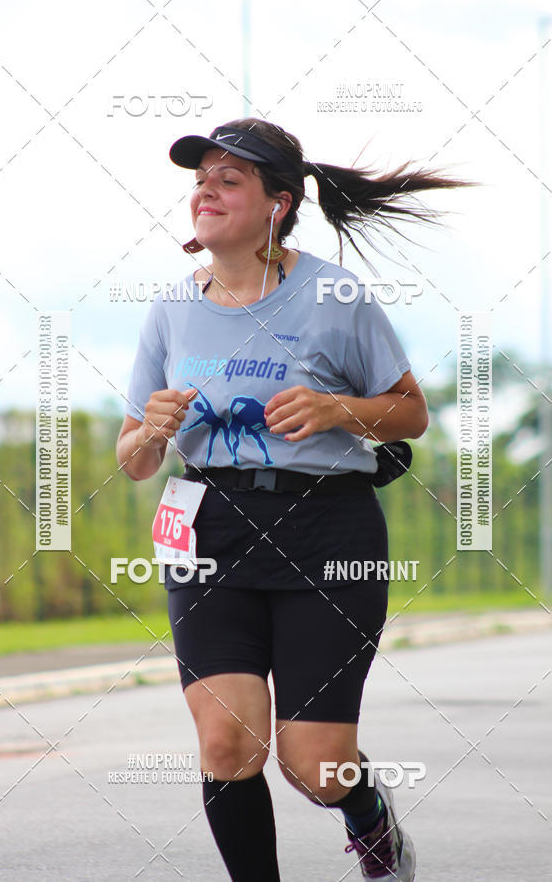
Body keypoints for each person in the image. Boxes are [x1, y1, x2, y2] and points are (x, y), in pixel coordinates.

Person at [117, 118, 473, 881]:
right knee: (226, 744)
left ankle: (371, 819)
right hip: (207, 529)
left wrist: (339, 409)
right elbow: (135, 459)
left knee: (314, 765)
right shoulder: (171, 308)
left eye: (228, 179)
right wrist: (148, 432)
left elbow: (410, 412)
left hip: (326, 531)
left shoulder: (335, 297)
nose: (205, 190)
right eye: (199, 179)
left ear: (277, 204)